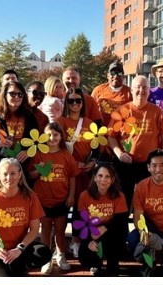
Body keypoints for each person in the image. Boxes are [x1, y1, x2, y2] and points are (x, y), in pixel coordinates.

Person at [0, 158, 51, 277]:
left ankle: (15, 269)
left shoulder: (30, 197)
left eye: (13, 173)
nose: (9, 178)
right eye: (5, 174)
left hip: (17, 250)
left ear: (19, 174)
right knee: (8, 281)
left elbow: (34, 229)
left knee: (43, 252)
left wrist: (20, 248)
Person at [108, 75, 163, 209]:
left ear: (149, 91)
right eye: (138, 87)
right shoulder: (122, 111)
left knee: (149, 202)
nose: (141, 91)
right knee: (123, 202)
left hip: (148, 165)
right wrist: (119, 153)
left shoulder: (157, 112)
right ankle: (122, 229)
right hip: (126, 163)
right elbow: (111, 136)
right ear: (131, 90)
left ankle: (148, 229)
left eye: (145, 88)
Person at [26, 122, 79, 273]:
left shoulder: (66, 155)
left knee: (60, 230)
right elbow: (30, 174)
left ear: (61, 136)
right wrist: (38, 170)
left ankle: (60, 255)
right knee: (46, 230)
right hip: (42, 200)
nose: (52, 137)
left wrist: (71, 196)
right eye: (49, 134)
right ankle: (46, 258)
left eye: (56, 134)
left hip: (61, 200)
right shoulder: (38, 153)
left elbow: (72, 176)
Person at [57, 87, 97, 259]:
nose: (75, 104)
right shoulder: (61, 122)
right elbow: (57, 147)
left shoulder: (89, 122)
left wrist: (93, 162)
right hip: (67, 173)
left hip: (86, 173)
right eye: (71, 100)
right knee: (65, 209)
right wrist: (74, 163)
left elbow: (97, 148)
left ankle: (76, 241)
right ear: (66, 102)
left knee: (82, 210)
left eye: (78, 101)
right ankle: (59, 246)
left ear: (83, 103)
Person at [76, 163, 128, 276]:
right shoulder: (84, 195)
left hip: (112, 232)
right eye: (100, 176)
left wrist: (104, 228)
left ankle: (113, 263)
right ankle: (96, 264)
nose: (103, 179)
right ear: (95, 177)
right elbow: (82, 223)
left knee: (117, 238)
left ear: (113, 179)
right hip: (92, 232)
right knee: (84, 257)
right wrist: (89, 241)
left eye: (107, 176)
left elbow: (121, 224)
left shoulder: (119, 196)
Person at [0, 81, 38, 182]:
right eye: (12, 94)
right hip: (0, 165)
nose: (17, 97)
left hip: (22, 165)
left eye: (20, 94)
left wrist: (28, 152)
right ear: (4, 95)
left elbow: (38, 141)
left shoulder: (29, 116)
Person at [91, 60, 133, 128]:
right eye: (113, 73)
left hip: (122, 132)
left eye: (119, 73)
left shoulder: (130, 92)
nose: (116, 76)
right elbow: (90, 109)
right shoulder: (98, 90)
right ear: (108, 75)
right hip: (102, 131)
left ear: (123, 76)